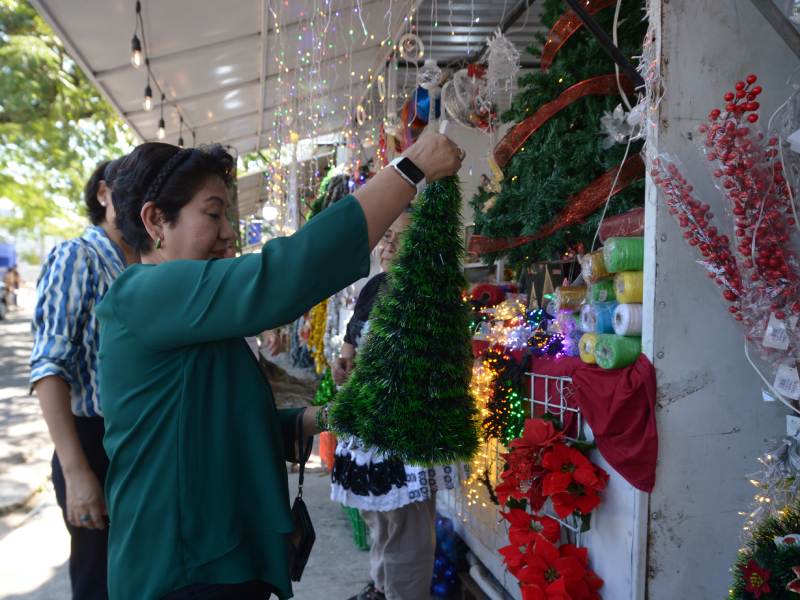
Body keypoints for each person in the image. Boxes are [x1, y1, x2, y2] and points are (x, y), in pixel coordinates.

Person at [97, 133, 463, 600]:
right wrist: (407, 172)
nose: (229, 231)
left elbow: (219, 424)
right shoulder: (143, 294)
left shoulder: (188, 313)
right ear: (155, 221)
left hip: (214, 556)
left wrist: (331, 417)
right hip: (182, 566)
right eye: (213, 214)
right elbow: (282, 276)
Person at [331, 211, 457, 600]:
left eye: (401, 239)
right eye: (388, 236)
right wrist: (345, 362)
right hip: (370, 429)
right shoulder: (378, 286)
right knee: (380, 521)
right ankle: (382, 589)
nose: (389, 246)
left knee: (408, 532)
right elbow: (351, 341)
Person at [30, 157, 138, 600]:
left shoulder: (146, 259)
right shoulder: (80, 256)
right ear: (103, 194)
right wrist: (76, 472)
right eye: (126, 188)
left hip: (137, 444)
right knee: (100, 583)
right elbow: (48, 366)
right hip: (93, 443)